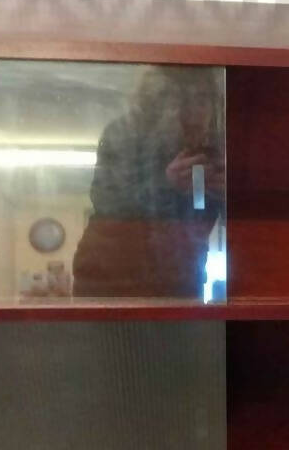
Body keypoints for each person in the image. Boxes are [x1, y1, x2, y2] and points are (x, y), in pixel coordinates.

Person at [73, 65, 224, 298]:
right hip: (110, 277)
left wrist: (226, 196)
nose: (192, 112)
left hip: (179, 279)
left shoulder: (213, 146)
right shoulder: (125, 133)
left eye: (202, 99)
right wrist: (166, 184)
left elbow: (207, 219)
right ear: (154, 102)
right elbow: (108, 203)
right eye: (177, 100)